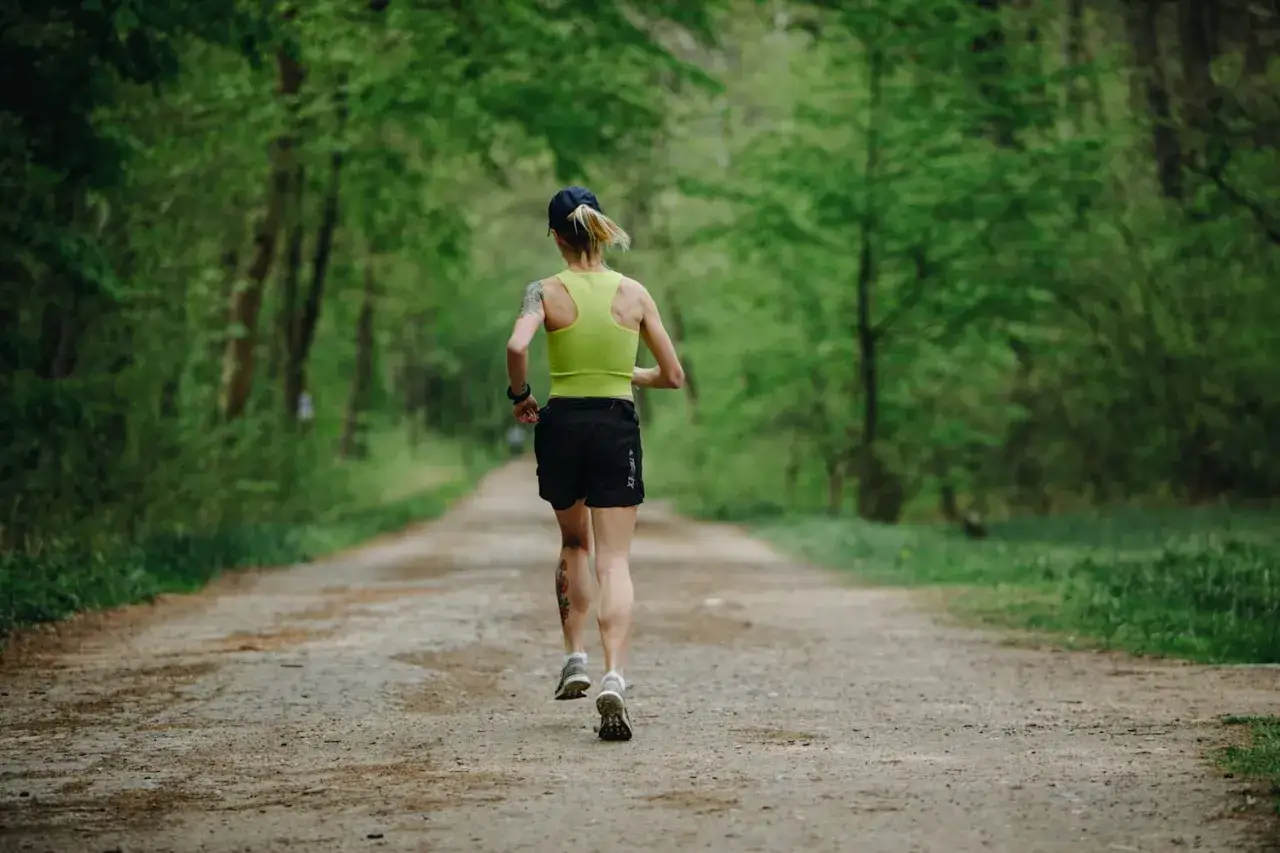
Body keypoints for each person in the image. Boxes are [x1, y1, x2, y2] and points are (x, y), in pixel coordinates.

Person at [504, 186, 685, 741]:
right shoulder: (633, 293)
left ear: (556, 237)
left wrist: (521, 398)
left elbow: (516, 348)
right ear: (600, 231)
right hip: (614, 424)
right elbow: (673, 376)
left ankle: (574, 658)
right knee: (616, 560)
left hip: (561, 424)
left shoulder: (544, 291)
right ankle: (614, 675)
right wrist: (630, 374)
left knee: (574, 544)